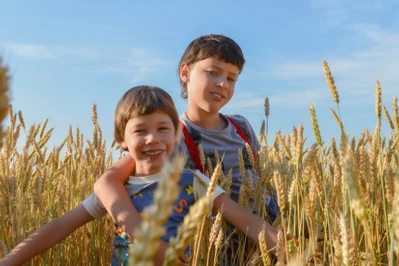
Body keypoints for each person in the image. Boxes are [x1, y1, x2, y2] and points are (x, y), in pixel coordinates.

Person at [0, 86, 281, 266]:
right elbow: (62, 225)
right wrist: (11, 260)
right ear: (121, 139)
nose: (152, 139)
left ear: (176, 133)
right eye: (140, 131)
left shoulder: (193, 181)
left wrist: (292, 252)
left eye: (162, 129)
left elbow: (246, 220)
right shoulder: (118, 190)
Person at [94, 34, 280, 263]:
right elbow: (107, 182)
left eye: (232, 78)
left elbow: (261, 175)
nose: (222, 83)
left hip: (269, 236)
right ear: (185, 73)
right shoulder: (169, 137)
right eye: (213, 72)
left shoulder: (241, 125)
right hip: (223, 250)